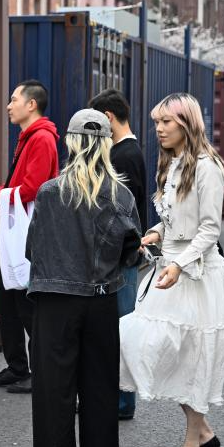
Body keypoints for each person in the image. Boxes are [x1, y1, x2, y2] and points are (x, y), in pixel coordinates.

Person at [24, 109, 141, 447]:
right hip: (102, 301)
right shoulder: (121, 194)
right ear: (107, 145)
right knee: (101, 388)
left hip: (56, 301)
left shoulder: (50, 192)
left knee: (54, 390)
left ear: (71, 142)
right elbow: (131, 252)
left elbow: (33, 250)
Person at [119, 93, 224, 447]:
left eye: (166, 121)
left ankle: (192, 443)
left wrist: (180, 264)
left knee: (192, 357)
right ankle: (205, 433)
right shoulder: (173, 164)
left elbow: (209, 230)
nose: (159, 129)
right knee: (146, 344)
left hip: (196, 275)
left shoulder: (207, 167)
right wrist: (154, 232)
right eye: (156, 122)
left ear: (187, 123)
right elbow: (174, 220)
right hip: (170, 270)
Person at [0, 80, 60, 394]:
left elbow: (34, 188)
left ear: (31, 104)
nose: (9, 106)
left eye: (14, 99)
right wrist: (3, 192)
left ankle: (38, 373)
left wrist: (2, 194)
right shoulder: (32, 136)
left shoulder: (41, 138)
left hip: (30, 236)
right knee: (7, 300)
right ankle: (17, 368)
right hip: (21, 234)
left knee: (25, 305)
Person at [89, 89, 147, 420]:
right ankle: (119, 399)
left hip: (121, 256)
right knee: (120, 326)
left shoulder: (122, 155)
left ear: (108, 118)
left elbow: (120, 212)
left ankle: (123, 401)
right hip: (126, 253)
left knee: (121, 328)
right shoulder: (130, 151)